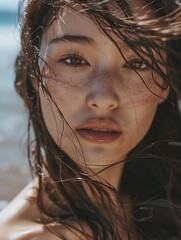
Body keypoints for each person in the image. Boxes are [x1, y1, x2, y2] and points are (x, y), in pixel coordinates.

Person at [0, 0, 181, 239]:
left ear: (165, 82)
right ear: (35, 73)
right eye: (74, 60)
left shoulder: (164, 203)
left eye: (138, 63)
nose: (104, 98)